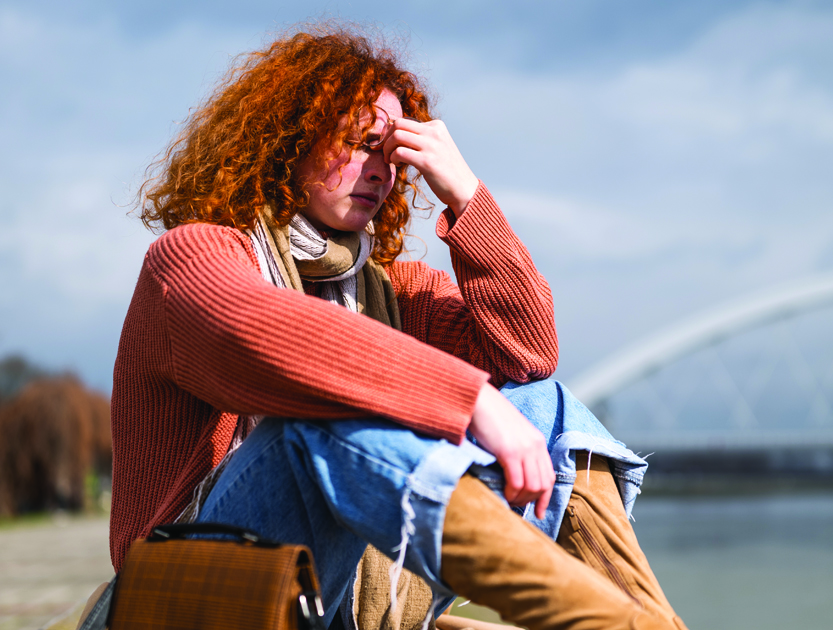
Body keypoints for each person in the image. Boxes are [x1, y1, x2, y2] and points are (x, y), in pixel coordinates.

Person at [112, 23, 686, 630]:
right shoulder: (193, 257)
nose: (380, 170)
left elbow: (528, 353)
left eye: (393, 155)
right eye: (360, 143)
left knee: (542, 404)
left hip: (332, 598)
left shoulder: (396, 292)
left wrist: (465, 195)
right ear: (290, 140)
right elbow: (256, 335)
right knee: (320, 420)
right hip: (194, 595)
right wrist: (468, 404)